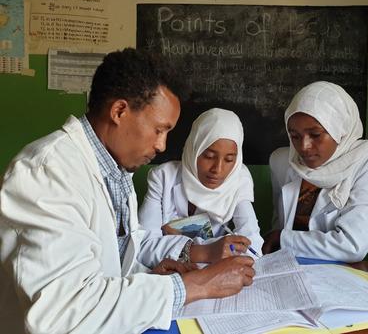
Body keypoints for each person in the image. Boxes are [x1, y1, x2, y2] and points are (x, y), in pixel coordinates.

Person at [0, 48, 254, 334]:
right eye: (159, 129)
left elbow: (104, 267)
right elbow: (65, 312)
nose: (162, 145)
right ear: (119, 111)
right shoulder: (46, 173)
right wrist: (194, 286)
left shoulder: (114, 170)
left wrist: (149, 276)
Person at [262, 81, 368, 262]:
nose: (304, 146)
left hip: (337, 273)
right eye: (294, 135)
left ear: (341, 129)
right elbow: (279, 223)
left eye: (315, 134)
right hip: (287, 267)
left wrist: (283, 238)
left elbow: (353, 245)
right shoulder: (281, 161)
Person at [138, 108, 264, 266]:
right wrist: (208, 250)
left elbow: (253, 245)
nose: (217, 169)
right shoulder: (163, 177)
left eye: (229, 159)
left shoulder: (238, 179)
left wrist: (173, 231)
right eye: (209, 156)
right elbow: (143, 247)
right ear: (193, 148)